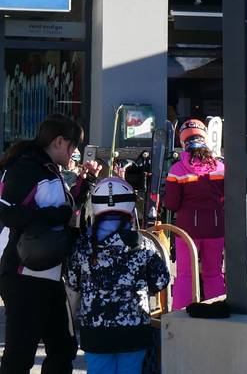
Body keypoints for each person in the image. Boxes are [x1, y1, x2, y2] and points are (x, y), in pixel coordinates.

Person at [0, 114, 98, 373]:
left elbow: (65, 210)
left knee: (63, 347)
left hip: (50, 274)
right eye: (73, 145)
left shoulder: (50, 169)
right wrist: (50, 217)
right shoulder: (27, 167)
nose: (75, 152)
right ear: (59, 141)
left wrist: (86, 182)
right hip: (23, 275)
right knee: (20, 355)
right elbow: (6, 211)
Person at [64, 177, 170, 374]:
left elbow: (72, 282)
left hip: (95, 331)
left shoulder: (83, 245)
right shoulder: (144, 245)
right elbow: (161, 281)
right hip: (134, 329)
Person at [164, 118, 226, 310]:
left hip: (187, 229)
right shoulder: (220, 167)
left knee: (185, 275)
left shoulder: (177, 169)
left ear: (183, 141)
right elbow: (227, 197)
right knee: (213, 273)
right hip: (216, 227)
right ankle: (217, 312)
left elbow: (171, 204)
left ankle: (180, 315)